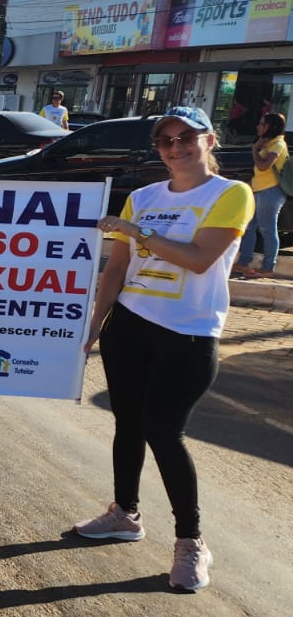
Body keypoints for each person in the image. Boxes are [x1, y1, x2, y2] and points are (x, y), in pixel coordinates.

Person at [76, 106, 253, 592]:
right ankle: (123, 514)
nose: (175, 148)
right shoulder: (142, 196)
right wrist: (94, 326)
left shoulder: (231, 194)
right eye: (165, 141)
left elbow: (198, 260)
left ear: (209, 141)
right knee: (127, 423)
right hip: (129, 325)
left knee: (162, 429)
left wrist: (137, 232)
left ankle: (191, 542)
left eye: (185, 138)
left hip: (189, 331)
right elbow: (116, 270)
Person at [232, 111, 287, 278]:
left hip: (270, 192)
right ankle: (244, 262)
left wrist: (255, 149)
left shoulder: (277, 145)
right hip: (259, 191)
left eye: (262, 124)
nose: (258, 126)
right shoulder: (268, 143)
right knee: (249, 226)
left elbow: (263, 166)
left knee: (267, 230)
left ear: (270, 127)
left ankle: (268, 266)